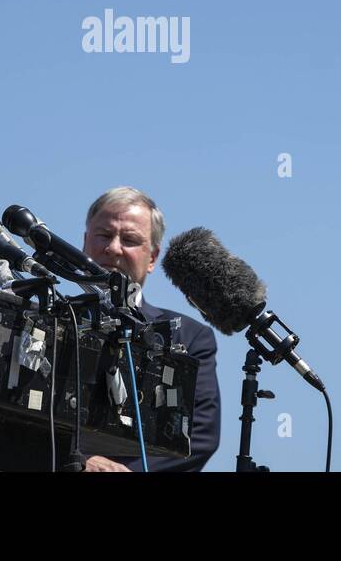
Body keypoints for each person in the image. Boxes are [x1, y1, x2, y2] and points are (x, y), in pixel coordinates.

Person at [79, 187, 220, 472]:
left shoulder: (189, 337)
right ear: (85, 242)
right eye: (104, 235)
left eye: (129, 240)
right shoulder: (46, 317)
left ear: (153, 257)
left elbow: (202, 434)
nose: (114, 248)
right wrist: (81, 463)